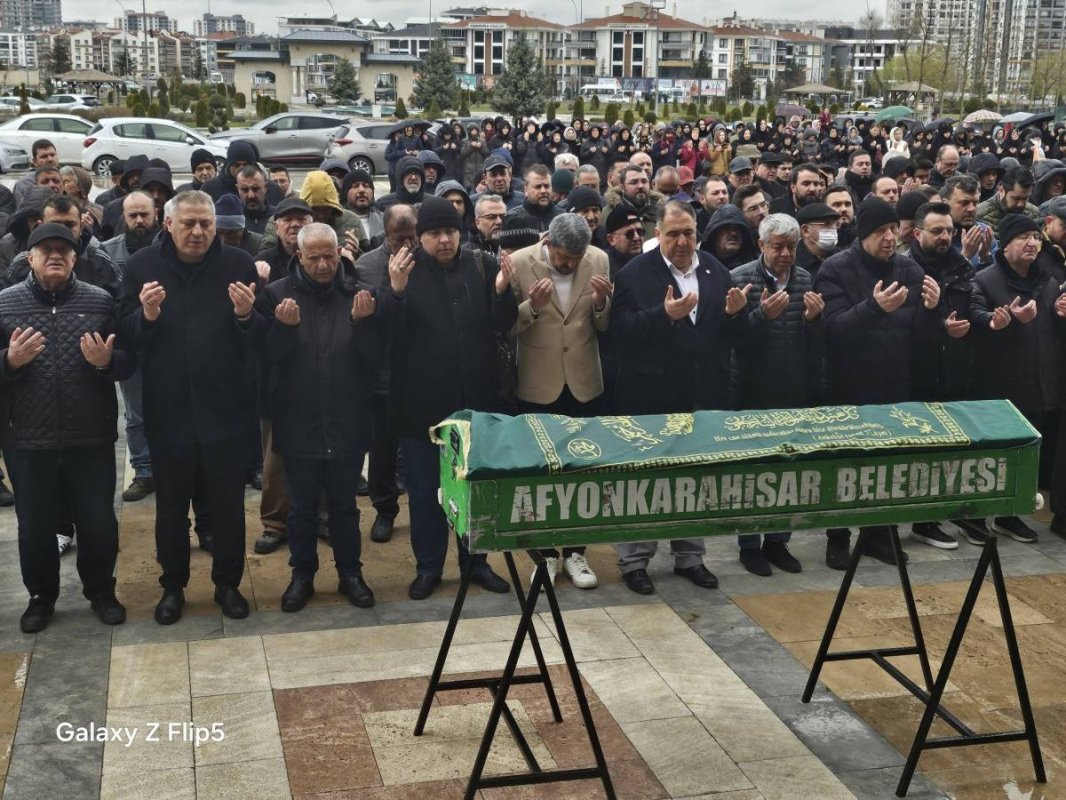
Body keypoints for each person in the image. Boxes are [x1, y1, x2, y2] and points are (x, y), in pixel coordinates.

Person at [120, 190, 265, 625]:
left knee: (227, 507)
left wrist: (245, 317)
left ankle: (228, 583)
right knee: (170, 510)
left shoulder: (236, 265)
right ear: (169, 224)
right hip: (168, 414)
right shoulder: (142, 267)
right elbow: (124, 337)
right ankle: (173, 586)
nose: (199, 232)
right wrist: (146, 315)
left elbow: (261, 339)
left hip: (227, 413)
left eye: (206, 224)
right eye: (190, 224)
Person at [379, 196, 517, 600]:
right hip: (421, 407)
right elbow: (386, 336)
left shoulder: (481, 265)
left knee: (475, 487)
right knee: (425, 492)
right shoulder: (404, 271)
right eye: (435, 233)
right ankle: (429, 568)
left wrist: (503, 292)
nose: (444, 240)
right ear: (420, 238)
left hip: (475, 405)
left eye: (451, 232)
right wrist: (397, 293)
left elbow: (502, 325)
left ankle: (477, 562)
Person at [0, 223, 134, 632]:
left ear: (75, 258)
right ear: (30, 258)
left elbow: (128, 361)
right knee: (35, 525)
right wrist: (9, 361)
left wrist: (105, 363)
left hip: (89, 435)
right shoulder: (5, 304)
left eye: (64, 249)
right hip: (27, 438)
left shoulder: (99, 301)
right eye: (47, 250)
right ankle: (41, 597)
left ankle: (101, 591)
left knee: (98, 522)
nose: (55, 255)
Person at [611, 201, 751, 595]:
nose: (682, 241)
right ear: (658, 235)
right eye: (673, 234)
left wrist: (736, 315)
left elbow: (729, 337)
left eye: (688, 232)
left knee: (693, 480)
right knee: (645, 483)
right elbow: (619, 331)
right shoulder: (635, 274)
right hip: (650, 397)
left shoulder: (714, 270)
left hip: (702, 394)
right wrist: (663, 315)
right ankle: (635, 561)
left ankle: (690, 556)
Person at [814, 196, 943, 569]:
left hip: (894, 385)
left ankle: (878, 535)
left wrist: (933, 311)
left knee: (886, 469)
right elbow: (832, 331)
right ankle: (837, 537)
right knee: (844, 467)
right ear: (863, 234)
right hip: (847, 386)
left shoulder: (909, 269)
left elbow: (922, 337)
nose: (889, 238)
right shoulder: (835, 269)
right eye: (880, 232)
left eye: (892, 230)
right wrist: (873, 308)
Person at [258, 223, 379, 611]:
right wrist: (283, 330)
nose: (325, 264)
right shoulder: (277, 295)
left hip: (346, 417)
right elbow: (266, 361)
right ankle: (302, 576)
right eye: (315, 258)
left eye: (330, 256)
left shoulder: (358, 294)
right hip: (299, 420)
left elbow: (374, 360)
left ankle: (351, 574)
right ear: (299, 257)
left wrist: (364, 326)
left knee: (345, 506)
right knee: (302, 507)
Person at [509, 213, 611, 589]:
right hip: (538, 384)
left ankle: (576, 553)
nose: (570, 265)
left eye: (576, 258)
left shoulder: (598, 260)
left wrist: (601, 303)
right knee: (540, 475)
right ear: (548, 242)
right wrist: (531, 307)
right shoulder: (521, 263)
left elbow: (602, 326)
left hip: (584, 383)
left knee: (584, 473)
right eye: (565, 258)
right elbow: (505, 327)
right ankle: (544, 556)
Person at [729, 214, 823, 576]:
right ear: (761, 246)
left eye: (792, 247)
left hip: (791, 388)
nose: (786, 254)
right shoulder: (740, 279)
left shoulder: (803, 278)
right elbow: (733, 339)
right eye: (778, 246)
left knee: (787, 470)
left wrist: (815, 320)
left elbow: (813, 342)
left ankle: (778, 541)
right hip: (751, 390)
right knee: (753, 473)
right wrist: (761, 317)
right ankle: (749, 543)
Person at [968, 214, 1060, 545]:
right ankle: (976, 515)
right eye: (1023, 237)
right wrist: (999, 322)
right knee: (990, 455)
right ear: (1005, 244)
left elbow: (1054, 333)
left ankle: (1010, 516)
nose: (1032, 243)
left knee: (1026, 454)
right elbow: (975, 321)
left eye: (1036, 237)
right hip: (997, 385)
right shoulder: (985, 280)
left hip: (1038, 383)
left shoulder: (1048, 282)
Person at [907, 201, 977, 548]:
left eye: (949, 230)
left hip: (952, 368)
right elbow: (901, 325)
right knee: (918, 452)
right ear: (917, 233)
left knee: (948, 450)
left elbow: (969, 310)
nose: (945, 237)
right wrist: (938, 326)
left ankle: (939, 514)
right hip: (914, 371)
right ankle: (918, 517)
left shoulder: (961, 267)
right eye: (936, 231)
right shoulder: (904, 268)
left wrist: (971, 325)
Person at [352, 205, 417, 545]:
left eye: (412, 237)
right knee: (382, 450)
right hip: (383, 375)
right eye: (398, 238)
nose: (406, 245)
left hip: (422, 371)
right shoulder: (367, 266)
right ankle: (384, 508)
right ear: (385, 235)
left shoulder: (429, 260)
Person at [102, 192, 162, 503]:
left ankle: (168, 467)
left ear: (156, 214)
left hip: (164, 343)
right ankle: (143, 471)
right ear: (123, 217)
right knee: (136, 416)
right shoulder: (109, 252)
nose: (139, 221)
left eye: (144, 214)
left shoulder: (169, 248)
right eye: (133, 215)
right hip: (129, 342)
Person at [976, 166, 1042, 239]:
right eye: (1016, 198)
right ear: (1001, 191)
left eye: (1025, 198)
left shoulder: (1033, 214)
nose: (1021, 204)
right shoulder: (980, 214)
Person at [699, 204, 759, 269]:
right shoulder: (699, 265)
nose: (734, 233)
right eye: (727, 227)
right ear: (715, 233)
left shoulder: (756, 267)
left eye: (738, 228)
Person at [794, 203, 841, 279]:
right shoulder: (791, 262)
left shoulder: (844, 259)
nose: (833, 228)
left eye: (835, 224)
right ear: (805, 230)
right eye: (826, 224)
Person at [341, 168, 385, 248]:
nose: (361, 190)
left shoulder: (385, 220)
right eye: (355, 186)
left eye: (366, 186)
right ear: (346, 193)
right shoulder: (337, 220)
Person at [512, 164, 560, 231]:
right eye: (538, 187)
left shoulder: (562, 217)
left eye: (546, 186)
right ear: (526, 190)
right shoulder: (514, 219)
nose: (543, 191)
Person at [13, 139, 58, 207]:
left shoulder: (67, 177)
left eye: (52, 155)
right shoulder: (24, 184)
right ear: (34, 162)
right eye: (44, 156)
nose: (50, 159)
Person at [236, 166, 274, 235]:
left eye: (255, 189)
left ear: (265, 187)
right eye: (245, 190)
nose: (251, 195)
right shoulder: (233, 219)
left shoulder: (277, 217)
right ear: (237, 189)